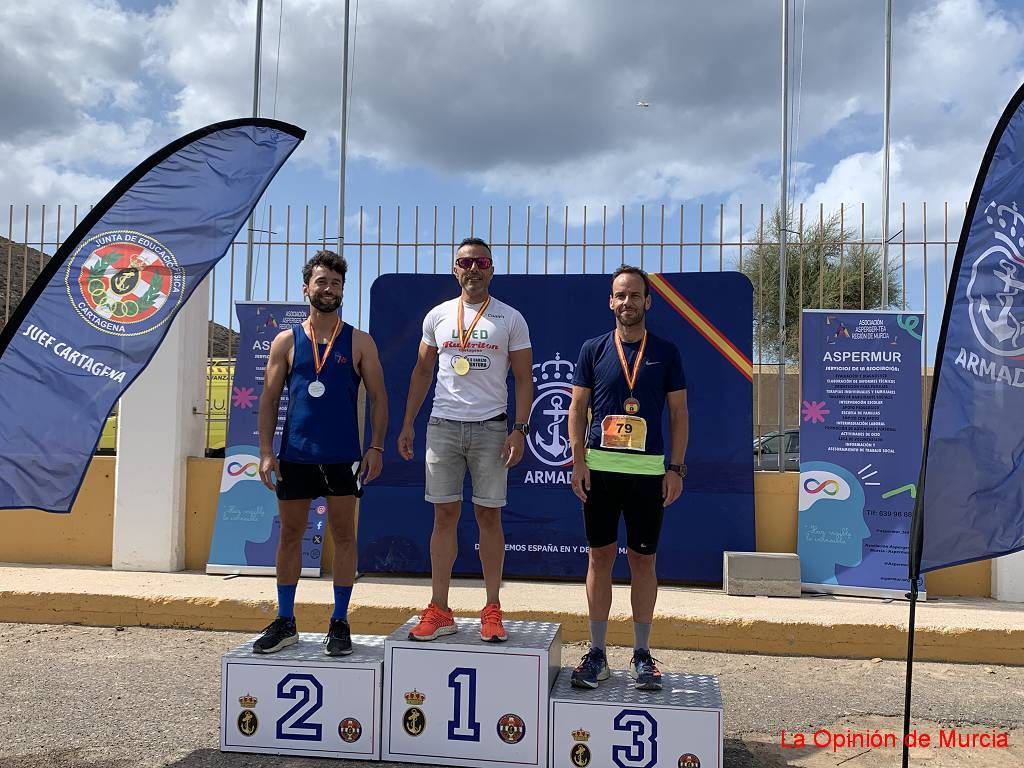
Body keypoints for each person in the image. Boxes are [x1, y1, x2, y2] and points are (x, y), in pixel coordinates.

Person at [398, 237, 533, 643]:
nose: (473, 269)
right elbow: (422, 372)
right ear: (455, 269)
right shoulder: (437, 315)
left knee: (489, 517)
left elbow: (524, 378)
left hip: (492, 428)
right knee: (444, 517)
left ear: (492, 269)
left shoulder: (511, 318)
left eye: (481, 262)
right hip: (443, 425)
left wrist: (520, 428)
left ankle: (492, 608)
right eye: (465, 262)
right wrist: (407, 423)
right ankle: (439, 608)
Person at [253, 250, 387, 656]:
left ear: (342, 290)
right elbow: (268, 399)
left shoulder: (359, 341)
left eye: (335, 284)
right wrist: (264, 451)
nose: (328, 289)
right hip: (295, 455)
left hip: (342, 456)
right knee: (290, 536)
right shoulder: (286, 341)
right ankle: (286, 620)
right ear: (306, 288)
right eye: (321, 282)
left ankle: (340, 621)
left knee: (344, 536)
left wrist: (375, 446)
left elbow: (379, 398)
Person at [567, 264, 688, 691]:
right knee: (599, 559)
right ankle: (597, 653)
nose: (627, 302)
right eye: (620, 295)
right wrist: (579, 462)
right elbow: (576, 410)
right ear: (610, 302)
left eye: (635, 295)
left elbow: (678, 414)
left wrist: (675, 467)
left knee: (643, 561)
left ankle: (641, 654)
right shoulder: (593, 349)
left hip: (647, 476)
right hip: (600, 473)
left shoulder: (667, 352)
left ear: (647, 301)